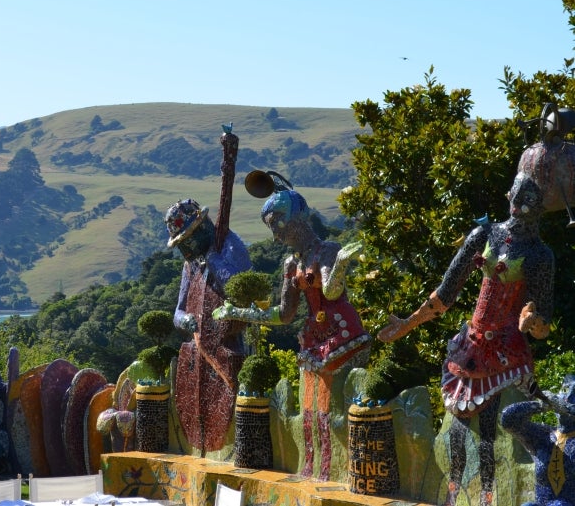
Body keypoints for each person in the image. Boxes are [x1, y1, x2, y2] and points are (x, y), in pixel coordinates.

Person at [378, 172, 554, 506]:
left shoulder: (541, 256)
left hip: (507, 355)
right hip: (469, 348)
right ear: (508, 196)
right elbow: (447, 291)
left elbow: (544, 323)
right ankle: (453, 495)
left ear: (541, 207)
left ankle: (492, 497)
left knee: (495, 432)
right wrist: (407, 324)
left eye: (529, 202)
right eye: (517, 198)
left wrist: (533, 323)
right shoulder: (484, 234)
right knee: (457, 434)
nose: (520, 207)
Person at [213, 184, 370, 481]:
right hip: (313, 339)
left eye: (278, 225)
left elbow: (333, 291)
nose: (276, 236)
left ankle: (343, 470)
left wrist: (340, 264)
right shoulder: (292, 263)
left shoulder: (328, 251)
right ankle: (317, 468)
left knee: (336, 407)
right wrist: (238, 312)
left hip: (342, 332)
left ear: (296, 219)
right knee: (310, 410)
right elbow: (284, 314)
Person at [166, 126, 252, 453]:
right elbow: (178, 311)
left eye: (188, 242)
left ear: (202, 229)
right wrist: (183, 321)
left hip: (227, 345)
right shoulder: (190, 265)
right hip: (197, 349)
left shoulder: (228, 246)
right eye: (181, 245)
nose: (184, 251)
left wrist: (215, 262)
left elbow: (242, 287)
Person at [501, 375, 575, 506]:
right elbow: (508, 420)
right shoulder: (544, 437)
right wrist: (541, 405)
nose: (567, 398)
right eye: (564, 392)